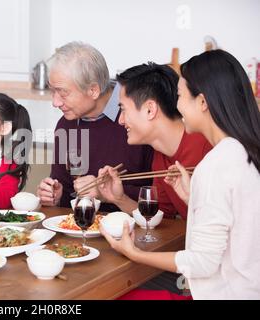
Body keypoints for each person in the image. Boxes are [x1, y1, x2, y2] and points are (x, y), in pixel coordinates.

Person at [100, 49, 260, 299]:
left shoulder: (214, 162)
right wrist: (191, 198)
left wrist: (135, 254)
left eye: (180, 96)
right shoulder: (239, 151)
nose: (176, 105)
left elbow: (203, 262)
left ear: (203, 102)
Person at [36, 42, 153, 212]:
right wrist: (55, 195)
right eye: (52, 91)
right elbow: (67, 191)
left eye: (63, 92)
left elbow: (160, 197)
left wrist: (106, 192)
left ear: (93, 90)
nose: (55, 102)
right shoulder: (66, 125)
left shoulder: (139, 116)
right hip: (82, 229)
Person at [97, 62, 212, 220]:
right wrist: (119, 198)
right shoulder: (160, 156)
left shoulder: (207, 149)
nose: (120, 120)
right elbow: (160, 218)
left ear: (150, 109)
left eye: (123, 109)